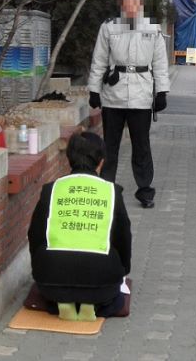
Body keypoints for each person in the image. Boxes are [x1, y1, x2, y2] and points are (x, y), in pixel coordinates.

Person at [28, 132, 131, 320]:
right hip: (101, 282)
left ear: (69, 159)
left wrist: (39, 266)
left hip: (51, 280)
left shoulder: (51, 189)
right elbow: (123, 237)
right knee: (114, 298)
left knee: (45, 292)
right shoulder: (112, 192)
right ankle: (93, 305)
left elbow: (35, 235)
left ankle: (61, 304)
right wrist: (123, 270)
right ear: (101, 162)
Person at [88, 0, 170, 208]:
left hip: (141, 95)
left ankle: (145, 190)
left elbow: (160, 63)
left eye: (135, 0)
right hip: (113, 93)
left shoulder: (152, 28)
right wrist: (94, 90)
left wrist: (162, 91)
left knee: (141, 145)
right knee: (110, 146)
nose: (131, 4)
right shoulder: (109, 27)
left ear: (141, 2)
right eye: (126, 0)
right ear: (120, 2)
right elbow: (99, 60)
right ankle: (106, 188)